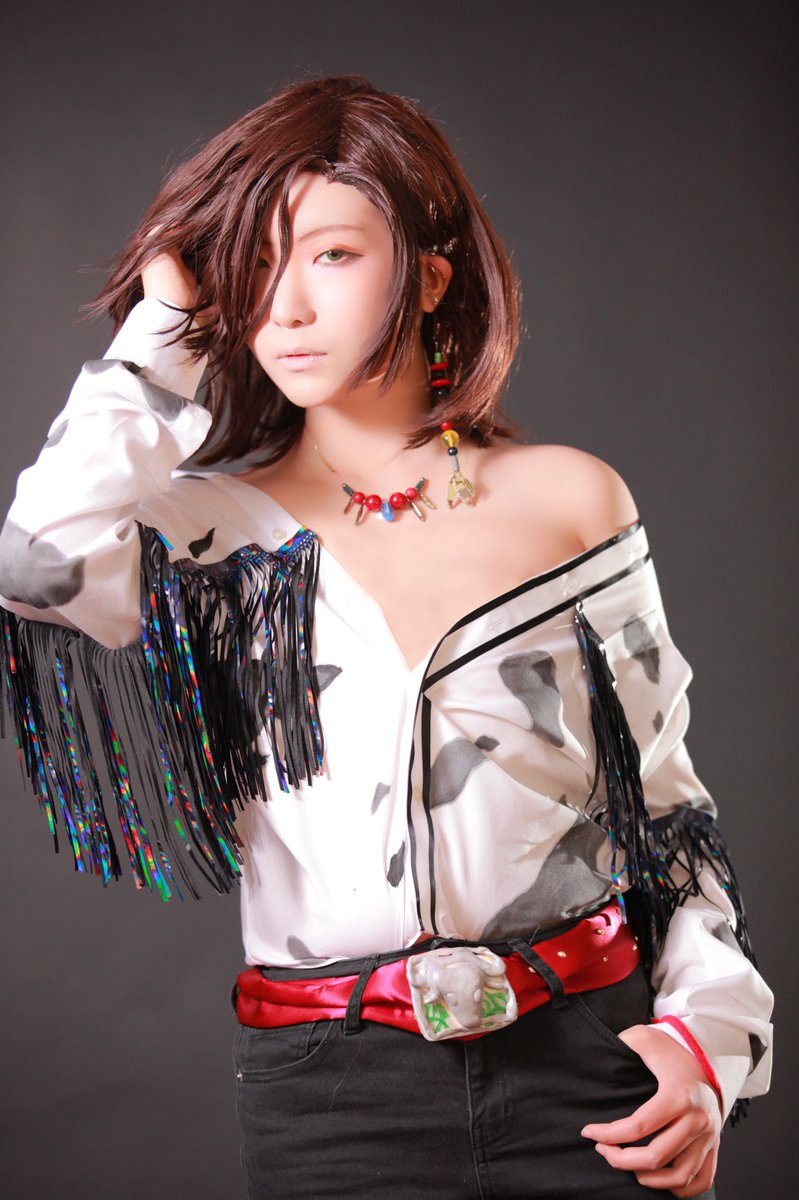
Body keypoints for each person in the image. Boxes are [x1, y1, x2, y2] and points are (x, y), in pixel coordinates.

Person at [0, 75, 772, 1199]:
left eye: (331, 255)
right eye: (253, 264)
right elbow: (37, 562)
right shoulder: (204, 534)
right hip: (331, 1095)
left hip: (588, 1069)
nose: (285, 306)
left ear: (430, 278)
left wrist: (707, 1046)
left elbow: (665, 812)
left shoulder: (569, 500)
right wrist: (161, 328)